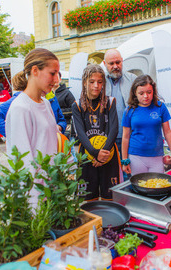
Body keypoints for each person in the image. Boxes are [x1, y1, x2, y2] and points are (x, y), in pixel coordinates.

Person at [5, 48, 60, 207]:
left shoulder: (46, 103)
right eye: (52, 73)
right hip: (34, 196)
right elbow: (22, 163)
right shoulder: (20, 108)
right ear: (35, 71)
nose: (56, 80)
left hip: (51, 189)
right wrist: (33, 204)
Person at [71, 64, 120, 200]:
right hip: (87, 156)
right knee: (87, 198)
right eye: (92, 82)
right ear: (84, 83)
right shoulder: (77, 105)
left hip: (108, 154)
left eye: (99, 82)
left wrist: (102, 154)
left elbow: (114, 129)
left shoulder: (110, 102)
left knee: (110, 197)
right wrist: (95, 153)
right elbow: (80, 133)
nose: (96, 86)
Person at [121, 75, 171, 175]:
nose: (146, 96)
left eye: (149, 92)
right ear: (135, 93)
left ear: (153, 91)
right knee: (139, 187)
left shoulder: (160, 107)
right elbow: (125, 137)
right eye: (141, 93)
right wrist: (125, 160)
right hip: (136, 157)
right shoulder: (129, 110)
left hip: (156, 157)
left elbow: (167, 131)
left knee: (157, 186)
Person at [0, 75, 67, 137]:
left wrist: (59, 127)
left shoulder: (51, 98)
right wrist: (15, 135)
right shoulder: (18, 100)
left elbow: (62, 120)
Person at [103, 49, 137, 155]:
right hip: (106, 137)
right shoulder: (99, 81)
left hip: (129, 136)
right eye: (111, 63)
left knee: (128, 168)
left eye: (118, 62)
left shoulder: (133, 79)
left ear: (122, 61)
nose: (115, 66)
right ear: (104, 64)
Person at [54, 71, 76, 138]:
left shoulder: (66, 93)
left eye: (56, 77)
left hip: (66, 126)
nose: (54, 80)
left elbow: (74, 109)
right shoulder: (47, 93)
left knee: (67, 146)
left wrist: (59, 111)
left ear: (60, 80)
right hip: (52, 127)